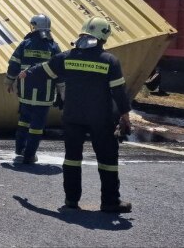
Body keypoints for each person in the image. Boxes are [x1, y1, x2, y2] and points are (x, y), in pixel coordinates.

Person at [19, 16, 133, 213]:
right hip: (101, 119)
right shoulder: (110, 61)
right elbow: (119, 93)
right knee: (107, 160)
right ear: (104, 37)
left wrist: (25, 74)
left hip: (73, 117)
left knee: (72, 158)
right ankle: (110, 202)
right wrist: (125, 116)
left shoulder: (67, 57)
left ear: (82, 34)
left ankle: (71, 200)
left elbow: (42, 70)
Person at [4, 14, 61, 164]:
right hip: (45, 93)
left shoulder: (25, 44)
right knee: (37, 125)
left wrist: (9, 81)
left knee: (24, 121)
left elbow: (14, 64)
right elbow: (61, 69)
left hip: (26, 92)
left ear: (34, 26)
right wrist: (63, 91)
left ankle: (20, 149)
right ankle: (30, 155)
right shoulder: (53, 46)